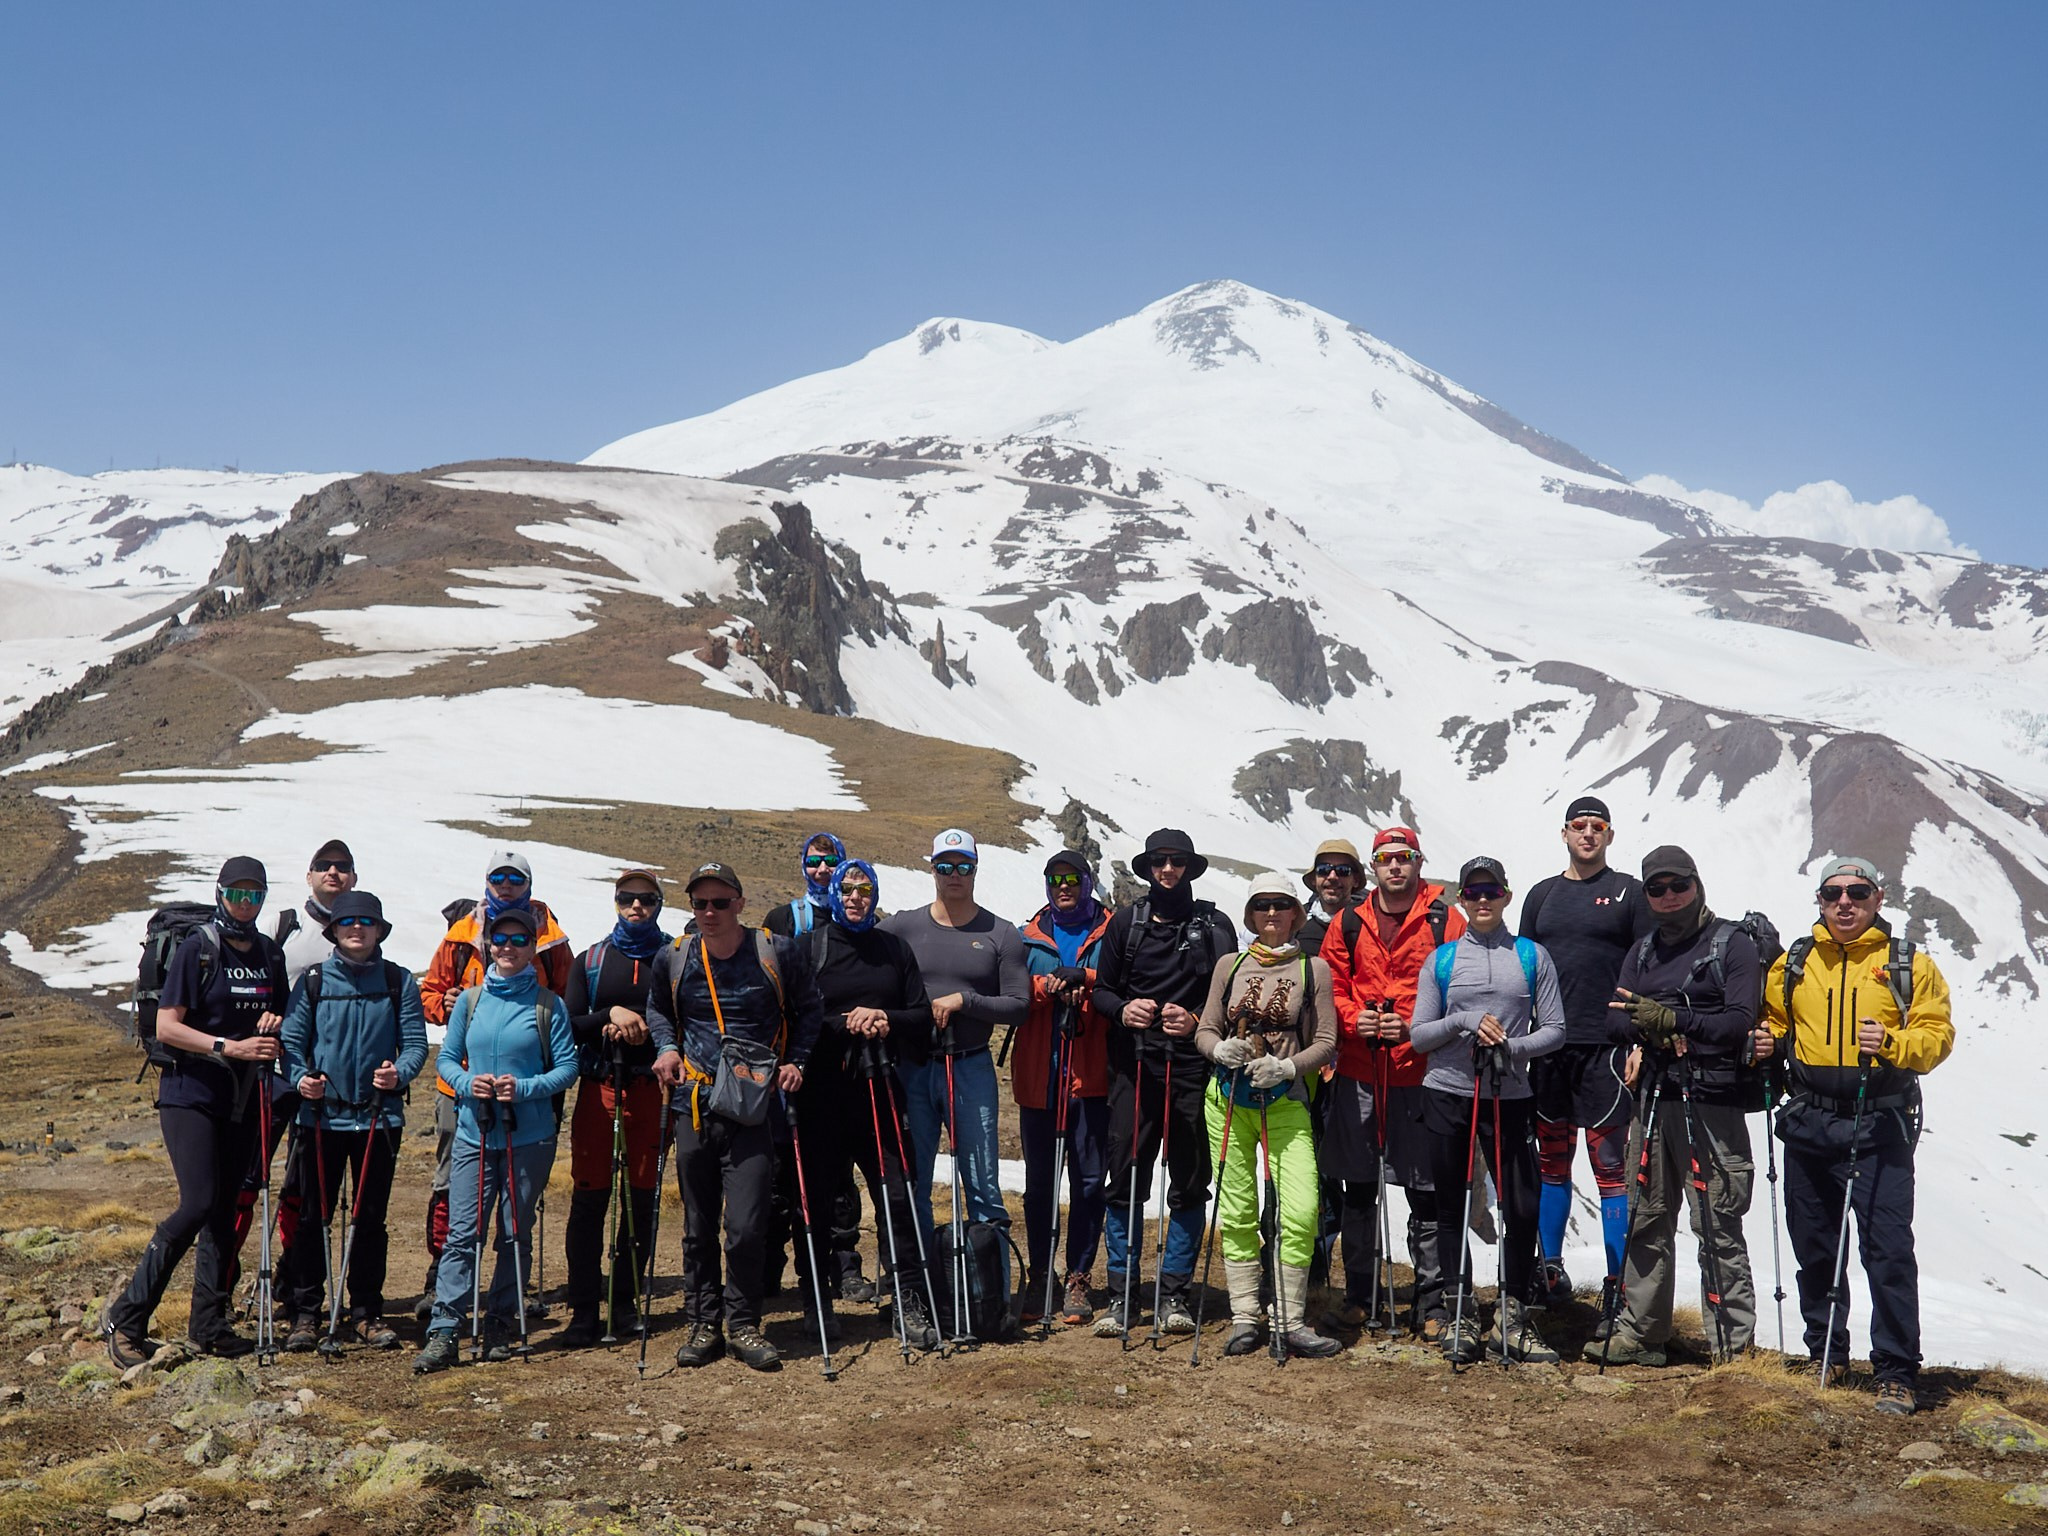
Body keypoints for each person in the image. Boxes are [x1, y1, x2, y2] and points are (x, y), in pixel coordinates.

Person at [1753, 857, 1953, 1415]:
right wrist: (1765, 1039)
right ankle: (1827, 1353)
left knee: (1887, 1251)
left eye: (1857, 892)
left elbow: (1935, 1037)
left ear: (1878, 897)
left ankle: (1894, 1369)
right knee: (1815, 1248)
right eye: (1833, 893)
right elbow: (1776, 1018)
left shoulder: (1907, 964)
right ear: (1819, 900)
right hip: (1809, 1119)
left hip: (1880, 1121)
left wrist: (1890, 1042)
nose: (1845, 902)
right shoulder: (1796, 962)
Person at [106, 857, 289, 1366]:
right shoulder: (198, 949)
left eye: (256, 894)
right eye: (238, 892)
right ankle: (126, 1318)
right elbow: (167, 1026)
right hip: (190, 1091)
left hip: (242, 1097)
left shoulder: (270, 955)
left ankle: (209, 1325)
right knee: (198, 1202)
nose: (246, 902)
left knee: (226, 1209)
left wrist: (275, 1022)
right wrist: (228, 1047)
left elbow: (283, 1016)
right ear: (221, 892)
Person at [650, 863, 825, 1371]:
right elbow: (659, 1008)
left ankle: (744, 1323)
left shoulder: (777, 952)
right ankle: (703, 1323)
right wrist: (665, 1048)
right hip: (695, 1106)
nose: (709, 912)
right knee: (698, 1224)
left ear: (740, 904)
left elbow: (809, 1010)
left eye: (719, 903)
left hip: (754, 1108)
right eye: (700, 904)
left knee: (747, 1225)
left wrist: (798, 1062)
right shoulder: (675, 957)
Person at [1590, 847, 1760, 1367]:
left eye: (1677, 885)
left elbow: (1739, 1021)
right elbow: (1614, 1019)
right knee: (1647, 1217)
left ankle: (1733, 1347)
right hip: (1654, 1099)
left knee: (1717, 1221)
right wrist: (1649, 1029)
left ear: (1697, 884)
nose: (1668, 897)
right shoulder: (1642, 950)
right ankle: (1642, 1334)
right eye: (1657, 889)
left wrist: (1676, 1023)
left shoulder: (1734, 945)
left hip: (1712, 1102)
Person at [1411, 856, 1566, 1364]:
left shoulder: (1531, 956)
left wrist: (1510, 1049)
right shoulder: (1443, 960)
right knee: (1452, 1203)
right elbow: (1419, 1035)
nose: (1482, 900)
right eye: (1473, 892)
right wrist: (1465, 1020)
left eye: (1491, 891)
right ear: (1461, 899)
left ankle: (1512, 1317)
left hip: (1511, 1095)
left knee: (1521, 1206)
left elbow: (1555, 1030)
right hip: (1447, 1091)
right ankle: (1460, 1314)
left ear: (1506, 896)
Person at [414, 903, 577, 1372]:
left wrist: (523, 1088)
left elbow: (567, 1068)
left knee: (514, 1231)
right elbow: (447, 1059)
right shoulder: (469, 1000)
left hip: (530, 1137)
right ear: (488, 947)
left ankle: (500, 1321)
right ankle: (445, 1329)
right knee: (463, 1233)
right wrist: (467, 1084)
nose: (508, 947)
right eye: (500, 940)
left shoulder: (549, 1005)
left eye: (519, 940)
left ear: (532, 948)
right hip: (474, 1132)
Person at [1091, 828, 1239, 1338]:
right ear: (1148, 867)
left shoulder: (1216, 926)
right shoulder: (1125, 924)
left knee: (1190, 1180)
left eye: (1176, 861)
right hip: (1133, 1067)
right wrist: (1124, 1009)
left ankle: (1174, 1291)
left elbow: (1231, 998)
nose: (1168, 870)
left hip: (1193, 1068)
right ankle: (1122, 1294)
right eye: (1159, 861)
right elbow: (1102, 993)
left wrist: (1197, 1019)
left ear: (1189, 867)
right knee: (1126, 1175)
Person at [1319, 826, 1465, 1336]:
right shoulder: (1347, 923)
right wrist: (1351, 1016)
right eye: (1385, 859)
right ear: (1375, 868)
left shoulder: (1446, 919)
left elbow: (1462, 987)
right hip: (1360, 1069)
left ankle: (1432, 1302)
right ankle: (1361, 1293)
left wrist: (1415, 1026)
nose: (1395, 867)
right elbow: (1332, 984)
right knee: (1358, 1189)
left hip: (1422, 1072)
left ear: (1418, 863)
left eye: (1403, 858)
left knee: (1426, 1193)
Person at [1197, 873, 1342, 1357]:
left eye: (1281, 905)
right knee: (1237, 1211)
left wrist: (1286, 1065)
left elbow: (1326, 1043)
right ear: (1251, 914)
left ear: (1295, 914)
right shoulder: (1229, 964)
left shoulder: (1313, 969)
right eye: (1262, 905)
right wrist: (1220, 1050)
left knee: (1300, 1210)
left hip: (1287, 1103)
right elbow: (1204, 1030)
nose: (1272, 913)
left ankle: (1289, 1319)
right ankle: (1244, 1317)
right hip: (1226, 1101)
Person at [880, 830, 1030, 1299]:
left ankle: (992, 1295)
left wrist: (966, 1000)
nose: (954, 876)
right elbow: (861, 957)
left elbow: (1019, 1005)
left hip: (969, 1067)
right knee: (915, 1181)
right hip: (913, 1067)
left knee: (983, 1183)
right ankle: (926, 1291)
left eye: (963, 866)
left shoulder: (1001, 933)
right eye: (945, 866)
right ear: (932, 870)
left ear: (976, 869)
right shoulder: (902, 927)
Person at [1518, 796, 1654, 1311]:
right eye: (1580, 826)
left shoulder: (1629, 893)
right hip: (1549, 1046)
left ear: (1610, 836)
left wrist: (1640, 1039)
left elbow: (1648, 966)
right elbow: (1522, 967)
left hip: (1609, 1048)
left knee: (1611, 1166)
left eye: (1599, 827)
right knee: (1552, 1163)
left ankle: (1617, 1281)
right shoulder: (1542, 895)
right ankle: (1549, 1271)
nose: (1589, 835)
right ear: (1565, 833)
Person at [795, 859, 938, 1349]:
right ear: (834, 893)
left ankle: (906, 1300)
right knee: (814, 1199)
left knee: (896, 1197)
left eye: (865, 890)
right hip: (821, 1096)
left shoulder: (893, 949)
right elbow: (795, 1018)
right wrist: (844, 1023)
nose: (856, 898)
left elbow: (921, 1016)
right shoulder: (807, 949)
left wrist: (885, 1019)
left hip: (880, 1090)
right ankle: (816, 1299)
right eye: (848, 889)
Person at [277, 890, 428, 1352]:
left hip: (379, 1121)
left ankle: (366, 1312)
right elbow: (291, 1041)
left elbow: (417, 1045)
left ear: (379, 930)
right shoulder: (314, 982)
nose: (357, 929)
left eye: (366, 921)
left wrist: (398, 1073)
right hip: (319, 1119)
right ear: (334, 931)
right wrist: (302, 1079)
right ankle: (306, 1312)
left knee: (370, 1220)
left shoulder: (399, 981)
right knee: (310, 1219)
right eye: (348, 922)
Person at [229, 837, 361, 1301]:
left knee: (304, 1184)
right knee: (251, 1178)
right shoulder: (283, 925)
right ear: (308, 875)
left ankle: (291, 1280)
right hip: (273, 1071)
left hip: (323, 1081)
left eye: (342, 867)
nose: (333, 872)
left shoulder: (357, 930)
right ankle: (222, 1288)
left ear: (353, 878)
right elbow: (251, 984)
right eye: (323, 865)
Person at [557, 870, 672, 1349]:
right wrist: (610, 1017)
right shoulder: (592, 959)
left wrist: (649, 1029)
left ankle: (624, 1300)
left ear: (659, 904)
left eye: (646, 899)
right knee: (591, 1196)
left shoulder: (675, 956)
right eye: (627, 899)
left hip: (653, 1087)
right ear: (616, 902)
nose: (636, 907)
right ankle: (584, 1308)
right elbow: (569, 1023)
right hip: (600, 1085)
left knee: (642, 1198)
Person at [763, 830, 870, 1306]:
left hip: (841, 1066)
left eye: (831, 862)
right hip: (791, 1060)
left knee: (839, 1173)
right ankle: (770, 1267)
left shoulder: (859, 913)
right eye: (814, 861)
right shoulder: (784, 918)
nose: (823, 871)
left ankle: (844, 1265)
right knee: (782, 1168)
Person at [1012, 851, 1114, 1327]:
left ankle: (1078, 1275)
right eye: (1056, 879)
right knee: (1038, 1185)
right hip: (1040, 1077)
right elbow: (1010, 989)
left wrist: (1086, 980)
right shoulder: (1027, 935)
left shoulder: (1113, 930)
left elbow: (1122, 981)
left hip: (1092, 1077)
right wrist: (1046, 988)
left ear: (1088, 882)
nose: (1064, 886)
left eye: (1073, 879)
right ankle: (1039, 1274)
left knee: (1090, 1182)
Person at [1298, 838, 1364, 953]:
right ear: (1314, 878)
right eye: (1323, 869)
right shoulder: (1296, 921)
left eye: (1343, 870)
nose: (1332, 876)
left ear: (1356, 880)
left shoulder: (1368, 923)